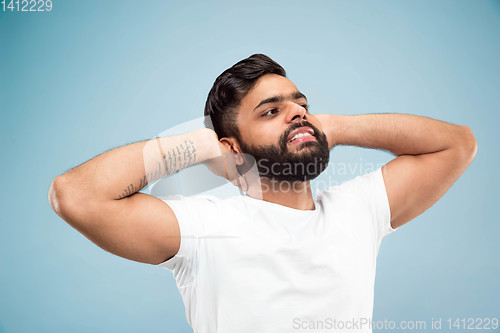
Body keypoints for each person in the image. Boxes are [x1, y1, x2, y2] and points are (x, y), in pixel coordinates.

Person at [48, 54, 477, 333]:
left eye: (300, 103)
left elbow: (456, 144)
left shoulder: (358, 210)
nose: (296, 112)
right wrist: (203, 144)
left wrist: (336, 125)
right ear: (231, 146)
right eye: (271, 111)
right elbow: (76, 196)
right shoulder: (205, 227)